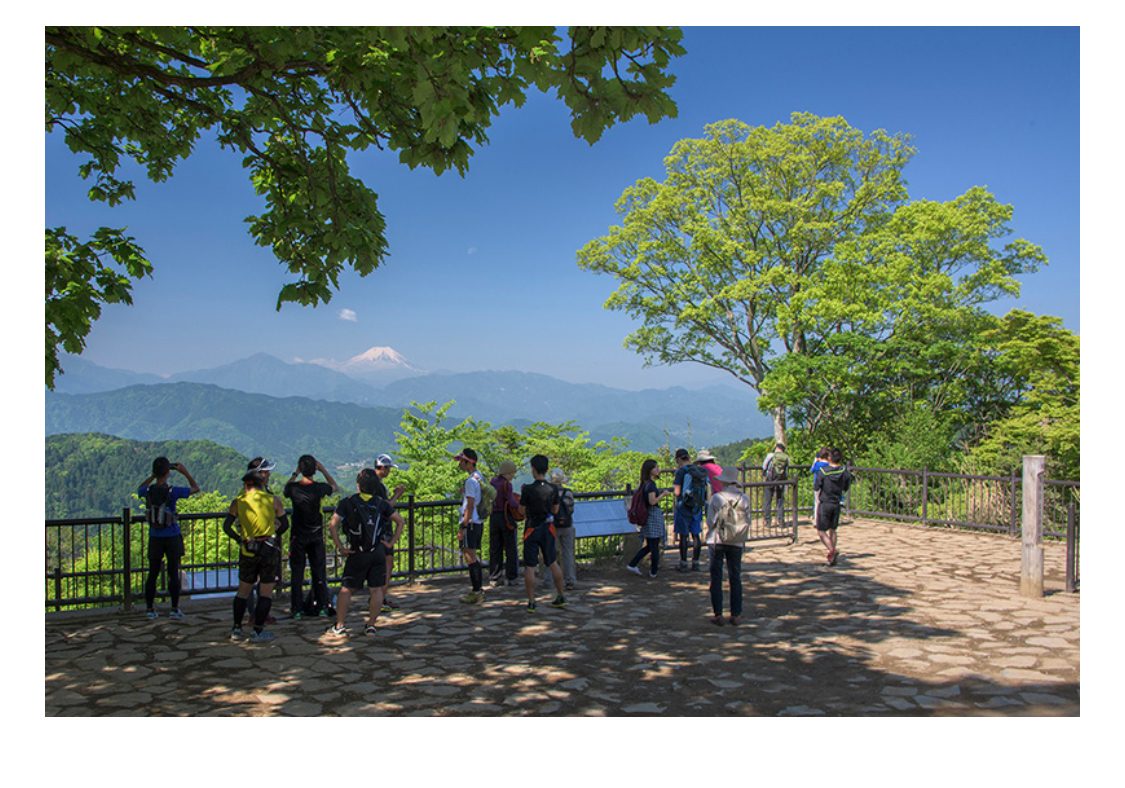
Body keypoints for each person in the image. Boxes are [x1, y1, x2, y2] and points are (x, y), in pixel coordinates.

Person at [325, 468, 405, 637]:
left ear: (359, 485)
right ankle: (371, 625)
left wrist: (340, 547)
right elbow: (400, 521)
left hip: (357, 552)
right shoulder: (380, 503)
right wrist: (390, 543)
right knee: (375, 589)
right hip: (377, 551)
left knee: (347, 589)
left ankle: (339, 626)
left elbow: (333, 525)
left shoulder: (348, 502)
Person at [222, 470, 289, 642]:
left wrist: (240, 539)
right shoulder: (274, 500)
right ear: (262, 485)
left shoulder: (238, 503)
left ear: (246, 485)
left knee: (243, 591)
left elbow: (227, 527)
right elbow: (285, 524)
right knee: (266, 592)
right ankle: (258, 631)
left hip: (248, 549)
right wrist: (273, 535)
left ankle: (236, 628)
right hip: (268, 550)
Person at [136, 457, 200, 619]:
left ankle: (150, 609)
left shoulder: (148, 491)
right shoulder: (173, 491)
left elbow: (139, 489)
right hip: (172, 535)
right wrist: (185, 472)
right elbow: (195, 488)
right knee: (173, 572)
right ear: (168, 472)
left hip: (155, 536)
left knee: (153, 574)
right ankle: (174, 609)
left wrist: (153, 476)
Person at [283, 454, 339, 619]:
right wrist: (323, 470)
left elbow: (286, 489)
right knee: (319, 572)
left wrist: (295, 473)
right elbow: (334, 486)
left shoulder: (293, 488)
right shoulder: (319, 488)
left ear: (300, 469)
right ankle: (322, 607)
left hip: (298, 536)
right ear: (315, 469)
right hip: (316, 537)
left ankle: (297, 609)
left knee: (297, 574)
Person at [519, 455, 568, 611]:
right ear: (547, 470)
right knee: (552, 562)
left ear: (533, 469)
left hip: (531, 528)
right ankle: (560, 595)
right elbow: (555, 510)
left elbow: (521, 511)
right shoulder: (553, 489)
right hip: (548, 528)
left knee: (530, 566)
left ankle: (532, 601)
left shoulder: (527, 489)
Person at [705, 467, 752, 626]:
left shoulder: (717, 498)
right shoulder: (744, 498)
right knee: (735, 577)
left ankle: (718, 614)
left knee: (716, 577)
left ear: (723, 480)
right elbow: (748, 520)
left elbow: (711, 521)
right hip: (736, 540)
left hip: (716, 540)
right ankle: (736, 614)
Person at [626, 458, 672, 578]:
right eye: (656, 467)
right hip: (652, 516)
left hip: (646, 516)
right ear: (650, 470)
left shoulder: (643, 484)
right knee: (654, 544)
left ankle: (633, 563)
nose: (658, 470)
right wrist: (663, 495)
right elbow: (652, 501)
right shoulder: (651, 485)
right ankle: (653, 571)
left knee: (650, 545)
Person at [372, 454, 406, 612]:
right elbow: (386, 508)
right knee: (387, 564)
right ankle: (380, 599)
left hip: (374, 530)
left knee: (381, 565)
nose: (389, 472)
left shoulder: (370, 483)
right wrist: (397, 494)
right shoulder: (377, 486)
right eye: (389, 468)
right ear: (383, 468)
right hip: (383, 531)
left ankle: (377, 598)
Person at [456, 448, 487, 604]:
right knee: (473, 557)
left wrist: (463, 525)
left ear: (469, 463)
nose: (460, 464)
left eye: (462, 461)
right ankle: (478, 589)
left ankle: (476, 591)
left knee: (470, 558)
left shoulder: (470, 481)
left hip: (471, 523)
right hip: (478, 522)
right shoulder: (479, 477)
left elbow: (470, 505)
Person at [814, 448, 853, 567]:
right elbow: (847, 486)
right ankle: (832, 557)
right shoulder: (844, 471)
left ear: (829, 458)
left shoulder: (823, 471)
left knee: (821, 531)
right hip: (836, 503)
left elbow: (816, 486)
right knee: (833, 529)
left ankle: (832, 550)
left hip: (825, 502)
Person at [489, 459, 522, 587]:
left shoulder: (493, 482)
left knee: (495, 548)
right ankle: (512, 577)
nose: (513, 475)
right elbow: (512, 503)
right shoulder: (507, 485)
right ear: (507, 473)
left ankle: (494, 577)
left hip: (494, 517)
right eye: (512, 473)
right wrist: (521, 504)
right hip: (506, 517)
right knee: (510, 548)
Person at [672, 448, 705, 572]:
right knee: (696, 535)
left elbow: (677, 492)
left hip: (684, 507)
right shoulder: (699, 471)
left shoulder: (681, 472)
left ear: (679, 459)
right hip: (697, 507)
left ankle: (683, 563)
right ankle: (696, 563)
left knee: (684, 535)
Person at [548, 468, 577, 590]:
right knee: (568, 552)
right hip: (567, 525)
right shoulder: (568, 493)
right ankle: (570, 578)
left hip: (552, 525)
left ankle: (549, 580)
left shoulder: (548, 492)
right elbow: (571, 509)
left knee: (550, 553)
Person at [761, 443, 791, 527]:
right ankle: (781, 521)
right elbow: (787, 470)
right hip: (781, 481)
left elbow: (764, 466)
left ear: (777, 448)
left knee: (768, 500)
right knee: (780, 501)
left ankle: (767, 521)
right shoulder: (786, 458)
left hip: (770, 480)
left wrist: (765, 474)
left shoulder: (770, 455)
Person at [810, 448, 830, 526]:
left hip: (817, 485)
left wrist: (815, 461)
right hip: (827, 485)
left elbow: (811, 470)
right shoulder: (829, 465)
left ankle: (816, 521)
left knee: (817, 503)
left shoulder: (817, 465)